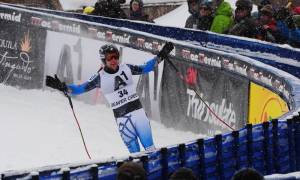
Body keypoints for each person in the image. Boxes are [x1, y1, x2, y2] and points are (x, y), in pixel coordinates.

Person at [45, 42, 174, 153]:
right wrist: (63, 87)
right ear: (103, 60)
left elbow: (146, 67)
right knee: (135, 156)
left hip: (138, 114)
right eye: (110, 58)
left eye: (116, 57)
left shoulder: (126, 68)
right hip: (122, 120)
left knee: (151, 151)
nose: (114, 60)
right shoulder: (99, 77)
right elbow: (80, 88)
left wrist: (162, 55)